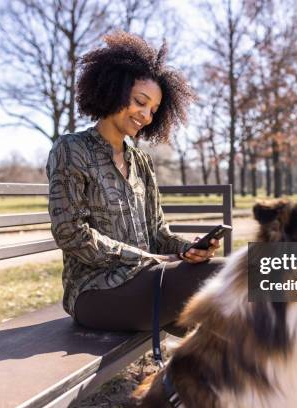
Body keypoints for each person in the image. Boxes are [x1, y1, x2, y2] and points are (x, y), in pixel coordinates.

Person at [46, 31, 225, 333]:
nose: (145, 115)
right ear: (114, 89)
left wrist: (186, 248)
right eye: (140, 101)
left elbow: (158, 231)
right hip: (95, 293)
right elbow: (71, 234)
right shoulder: (71, 149)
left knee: (225, 293)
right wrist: (149, 258)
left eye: (154, 110)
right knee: (230, 277)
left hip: (149, 280)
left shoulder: (141, 162)